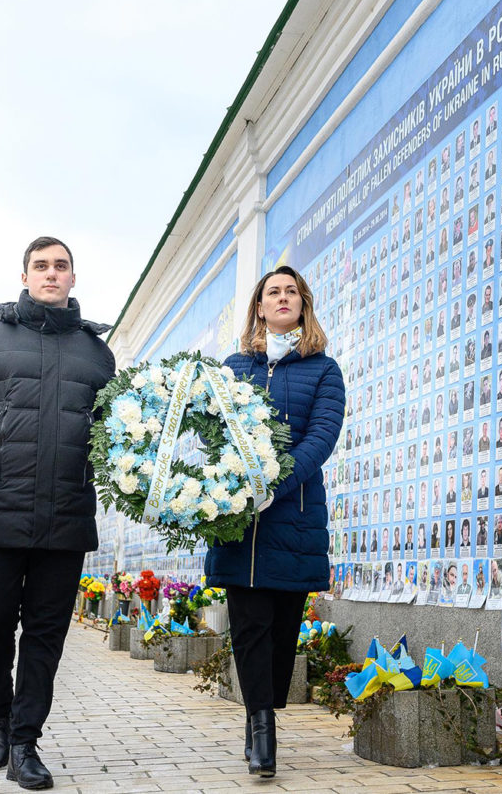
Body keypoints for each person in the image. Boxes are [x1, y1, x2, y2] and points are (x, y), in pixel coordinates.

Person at [0, 237, 117, 788]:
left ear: (72, 278)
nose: (51, 274)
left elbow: (117, 436)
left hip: (66, 517)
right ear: (26, 275)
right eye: (41, 266)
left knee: (45, 635)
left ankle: (24, 740)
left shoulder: (97, 355)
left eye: (61, 266)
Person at [207, 265, 345, 778]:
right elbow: (213, 433)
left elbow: (321, 439)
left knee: (283, 630)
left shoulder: (323, 370)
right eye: (273, 292)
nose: (282, 298)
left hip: (294, 519)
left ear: (302, 305)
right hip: (239, 522)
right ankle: (262, 726)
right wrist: (232, 488)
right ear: (259, 308)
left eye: (291, 291)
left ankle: (260, 713)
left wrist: (274, 486)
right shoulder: (234, 366)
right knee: (249, 625)